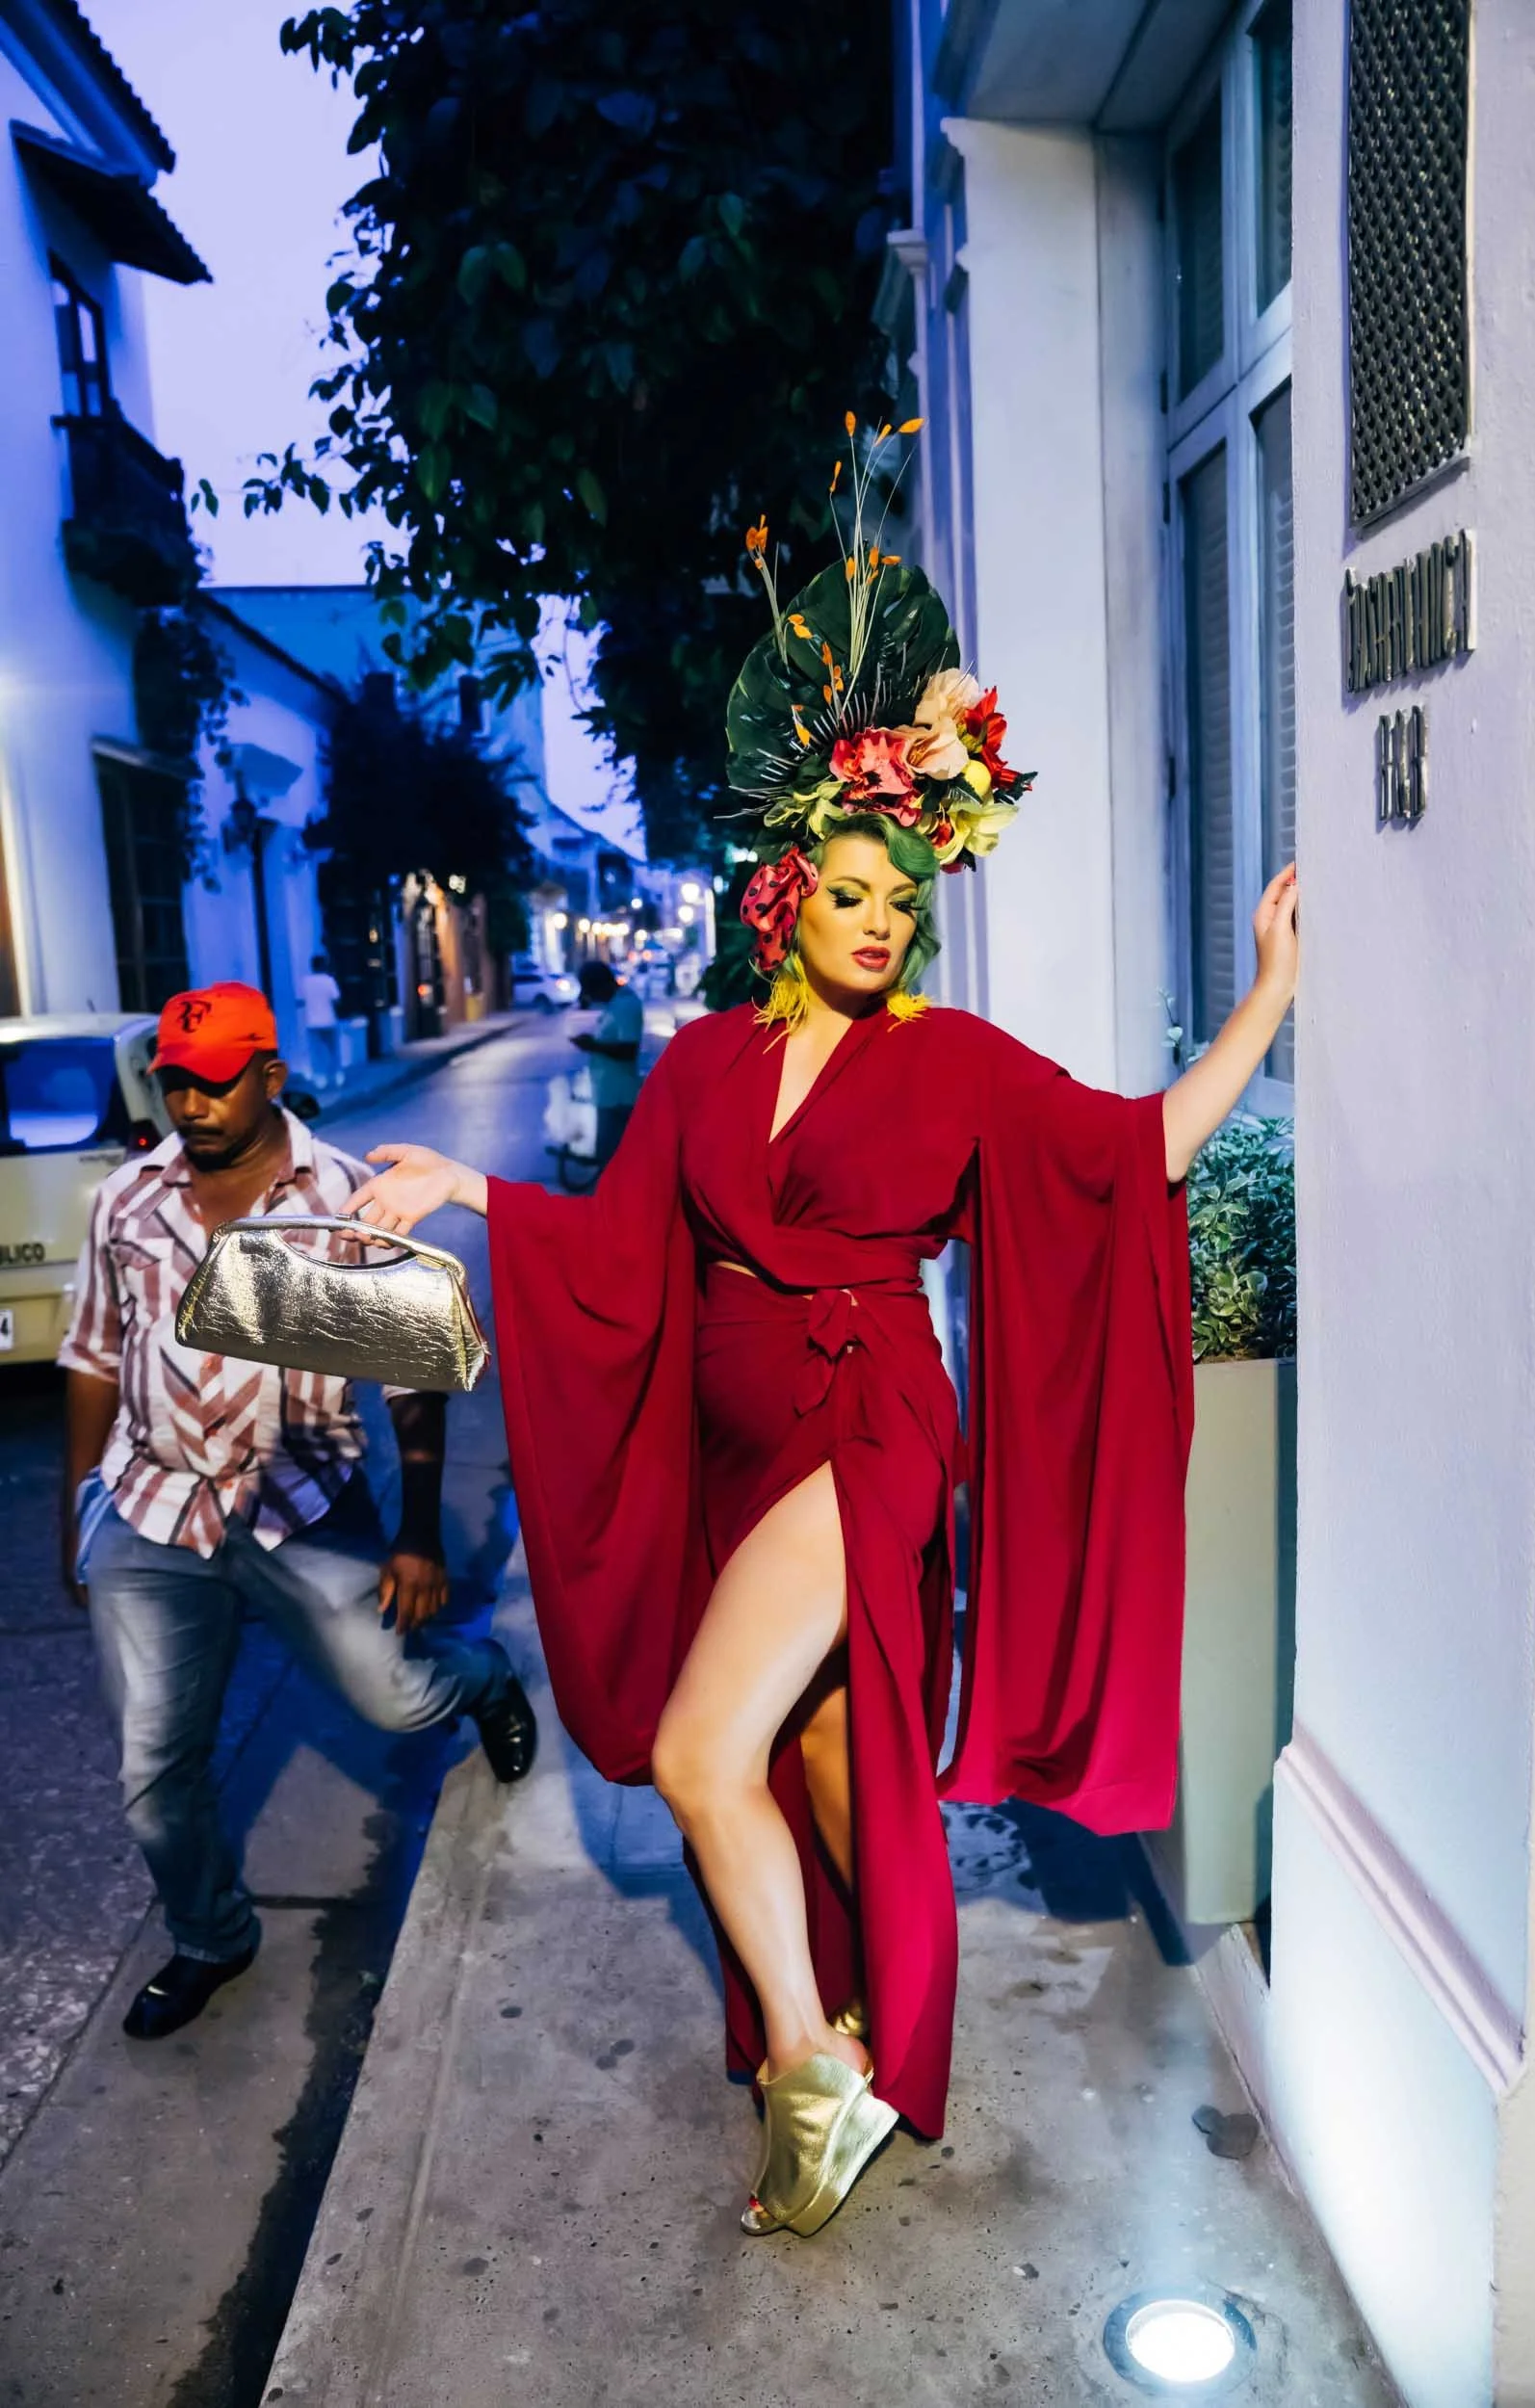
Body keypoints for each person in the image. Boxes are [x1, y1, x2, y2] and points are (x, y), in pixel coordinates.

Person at [345, 449, 1298, 2239]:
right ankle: (889, 2004)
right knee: (834, 1765)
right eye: (849, 892)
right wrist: (465, 1200)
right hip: (735, 1450)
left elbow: (1132, 1152)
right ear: (788, 895)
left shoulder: (950, 1063)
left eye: (899, 900)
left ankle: (815, 2079)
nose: (879, 920)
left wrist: (1263, 998)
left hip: (871, 1435)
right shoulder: (703, 1065)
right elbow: (620, 1241)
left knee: (709, 1753)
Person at [59, 981, 536, 2043]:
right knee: (152, 1766)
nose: (191, 1104)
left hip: (302, 1505)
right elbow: (93, 1353)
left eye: (215, 1082)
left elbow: (412, 1375)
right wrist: (78, 1501)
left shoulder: (348, 1197)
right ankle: (211, 1935)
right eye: (175, 1081)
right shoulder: (124, 1201)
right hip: (152, 1511)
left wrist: (416, 1531)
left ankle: (487, 1677)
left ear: (269, 1077)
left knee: (394, 1697)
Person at [570, 959, 643, 1170]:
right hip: (607, 1092)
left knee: (611, 1160)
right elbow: (585, 1005)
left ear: (603, 985)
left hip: (619, 1095)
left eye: (593, 990)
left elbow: (629, 1050)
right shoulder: (614, 1002)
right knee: (609, 1157)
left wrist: (594, 1046)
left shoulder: (627, 1005)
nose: (593, 997)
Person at [298, 952, 345, 1090]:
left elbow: (300, 1000)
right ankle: (337, 1074)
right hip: (329, 1020)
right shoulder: (329, 980)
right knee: (333, 1049)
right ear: (324, 965)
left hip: (312, 1022)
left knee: (316, 1051)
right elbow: (337, 999)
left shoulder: (305, 982)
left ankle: (320, 1077)